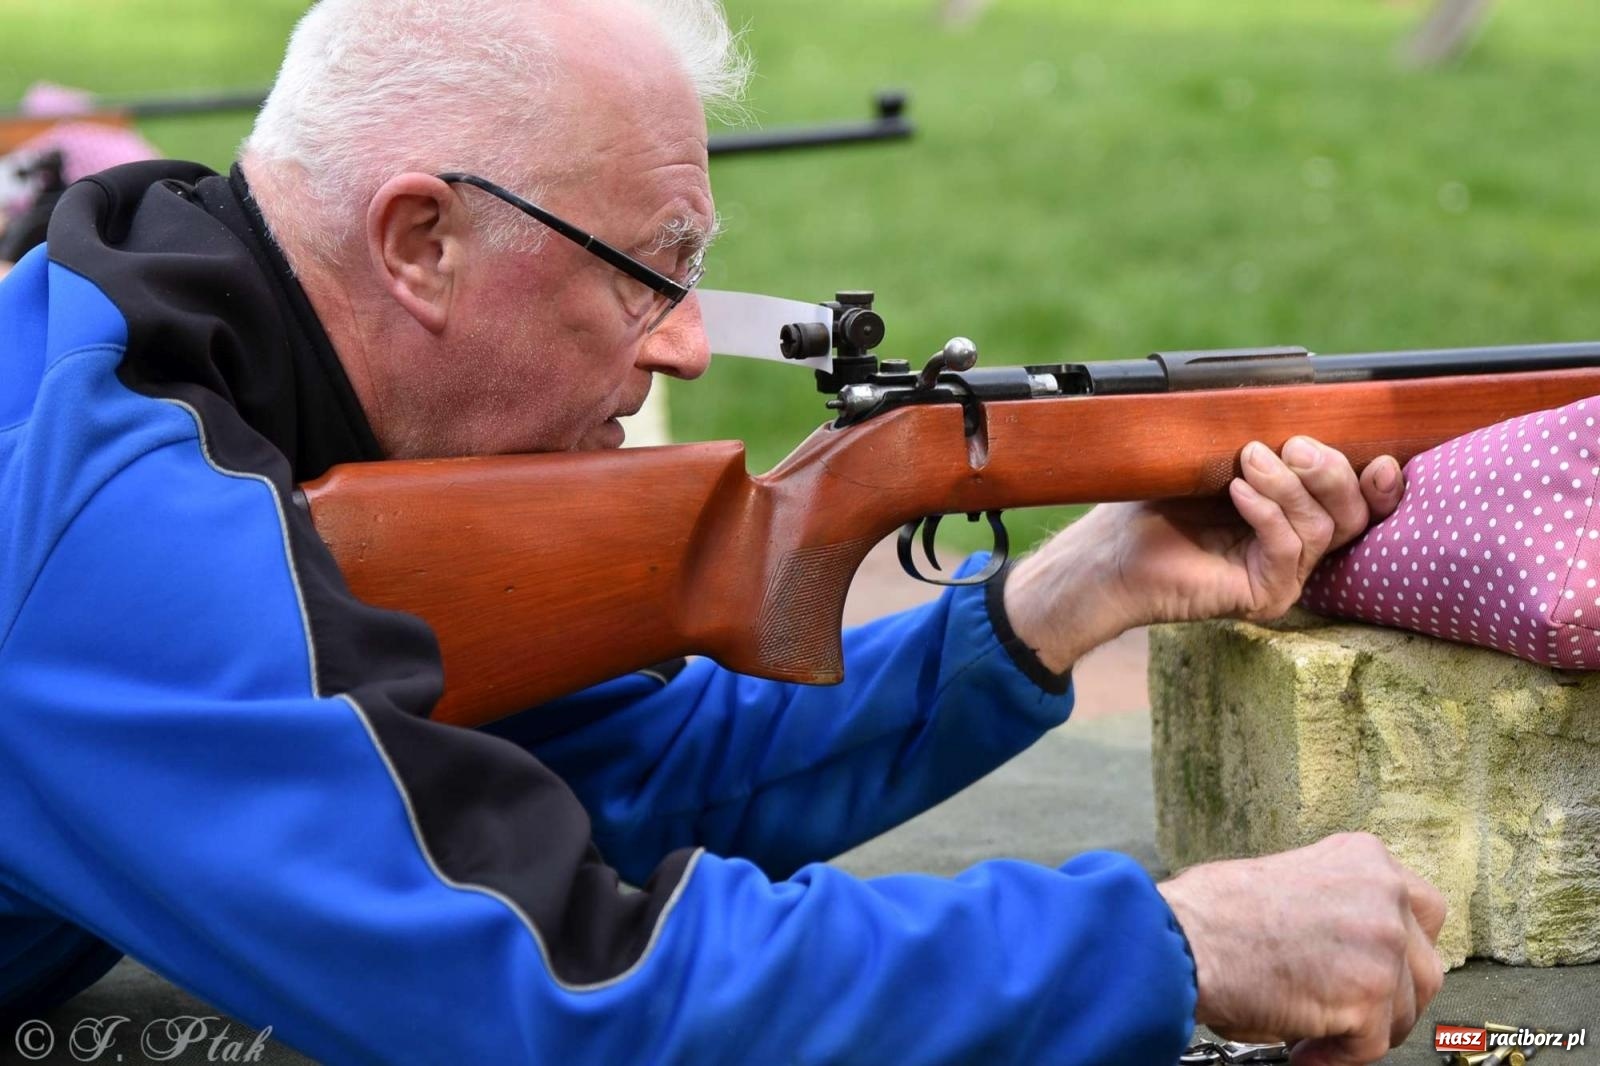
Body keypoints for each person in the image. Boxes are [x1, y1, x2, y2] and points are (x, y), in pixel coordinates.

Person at [0, 1, 1444, 1063]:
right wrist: (1178, 944)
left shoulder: (227, 372)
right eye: (650, 270)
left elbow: (642, 769)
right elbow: (560, 992)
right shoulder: (109, 517)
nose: (689, 343)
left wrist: (1060, 598)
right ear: (420, 240)